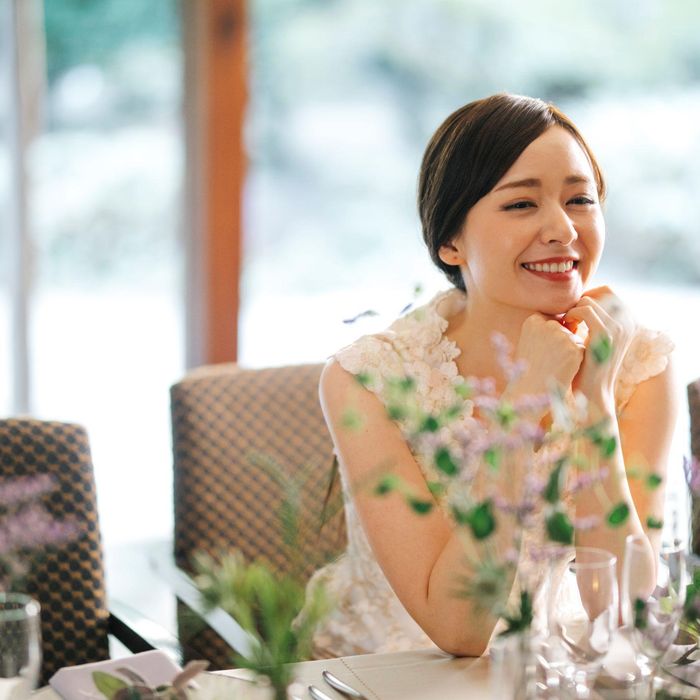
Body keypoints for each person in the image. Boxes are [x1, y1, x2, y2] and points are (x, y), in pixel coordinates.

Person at [304, 93, 677, 658]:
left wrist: (594, 399)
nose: (563, 229)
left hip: (558, 667)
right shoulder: (369, 378)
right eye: (522, 204)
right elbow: (458, 629)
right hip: (389, 671)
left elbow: (626, 613)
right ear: (450, 242)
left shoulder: (637, 362)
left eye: (579, 199)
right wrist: (527, 400)